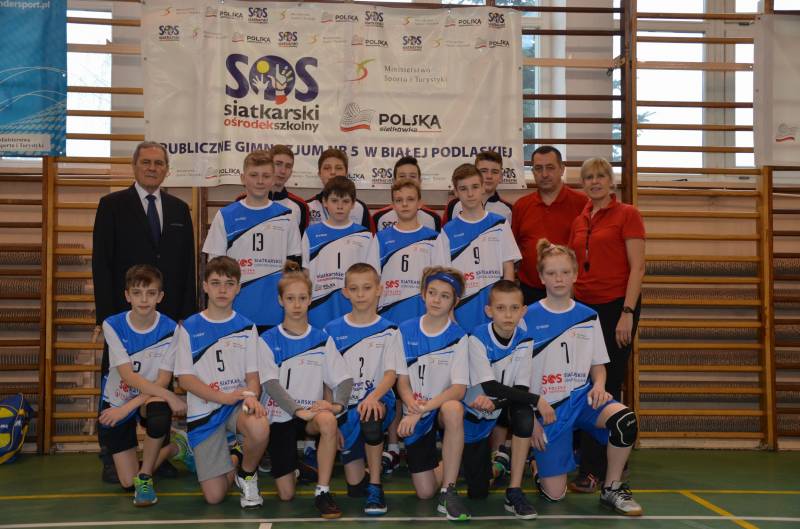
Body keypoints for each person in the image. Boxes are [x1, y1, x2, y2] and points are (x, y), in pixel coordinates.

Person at [92, 141, 196, 483]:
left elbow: (187, 265)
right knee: (116, 381)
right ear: (134, 166)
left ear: (167, 169)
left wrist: (187, 313)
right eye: (146, 162)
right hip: (124, 316)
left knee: (161, 382)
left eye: (159, 163)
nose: (153, 168)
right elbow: (101, 263)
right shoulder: (112, 205)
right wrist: (104, 316)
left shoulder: (179, 209)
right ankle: (111, 454)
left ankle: (159, 454)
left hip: (166, 317)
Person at [525, 239, 642, 516]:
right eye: (552, 273)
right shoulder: (527, 316)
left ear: (575, 274)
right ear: (541, 277)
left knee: (625, 420)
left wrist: (599, 385)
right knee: (555, 495)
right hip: (548, 407)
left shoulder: (588, 316)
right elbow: (518, 377)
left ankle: (612, 487)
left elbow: (598, 364)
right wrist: (530, 419)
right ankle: (538, 464)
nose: (559, 279)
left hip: (581, 400)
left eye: (565, 272)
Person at [567, 157, 645, 493]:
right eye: (589, 177)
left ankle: (594, 470)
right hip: (586, 310)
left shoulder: (627, 214)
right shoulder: (580, 219)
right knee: (585, 383)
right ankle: (608, 460)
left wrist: (627, 311)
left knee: (607, 384)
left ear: (611, 182)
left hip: (617, 307)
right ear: (582, 184)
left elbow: (638, 267)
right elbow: (574, 267)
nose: (595, 181)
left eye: (601, 176)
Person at [258, 261, 353, 519]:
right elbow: (271, 384)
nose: (297, 305)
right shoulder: (268, 339)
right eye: (290, 298)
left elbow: (344, 380)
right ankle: (298, 469)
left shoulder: (321, 339)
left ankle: (323, 491)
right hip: (281, 416)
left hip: (311, 416)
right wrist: (298, 410)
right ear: (281, 301)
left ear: (310, 300)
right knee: (286, 495)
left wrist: (337, 406)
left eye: (302, 298)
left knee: (328, 420)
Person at [174, 256, 269, 508]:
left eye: (229, 283)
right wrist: (222, 397)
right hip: (204, 412)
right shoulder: (188, 327)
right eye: (215, 283)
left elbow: (252, 377)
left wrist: (251, 396)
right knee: (214, 497)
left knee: (259, 425)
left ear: (238, 288)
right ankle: (236, 455)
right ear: (205, 286)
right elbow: (185, 379)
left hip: (236, 406)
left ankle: (247, 474)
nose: (222, 289)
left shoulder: (247, 327)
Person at [97, 265, 192, 506]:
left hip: (148, 397)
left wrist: (158, 398)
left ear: (160, 296)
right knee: (127, 482)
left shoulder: (172, 330)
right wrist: (170, 396)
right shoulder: (112, 325)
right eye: (137, 293)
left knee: (159, 412)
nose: (144, 299)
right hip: (118, 398)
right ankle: (175, 448)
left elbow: (162, 381)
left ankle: (146, 476)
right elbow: (128, 377)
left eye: (151, 293)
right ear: (127, 295)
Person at [461, 280, 546, 519]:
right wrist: (537, 399)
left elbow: (520, 388)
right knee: (478, 492)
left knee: (524, 415)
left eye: (514, 308)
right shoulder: (477, 337)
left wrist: (501, 404)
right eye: (500, 308)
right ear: (489, 311)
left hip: (499, 406)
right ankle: (497, 464)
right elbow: (489, 386)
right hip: (476, 413)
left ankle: (514, 490)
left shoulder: (525, 339)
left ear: (523, 310)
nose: (508, 315)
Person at [324, 263, 401, 516]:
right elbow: (328, 381)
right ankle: (373, 469)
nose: (360, 294)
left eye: (367, 288)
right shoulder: (332, 330)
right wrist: (332, 420)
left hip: (378, 401)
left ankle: (376, 487)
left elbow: (391, 374)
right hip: (346, 408)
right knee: (355, 488)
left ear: (379, 289)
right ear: (345, 292)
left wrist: (373, 397)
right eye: (354, 289)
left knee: (371, 416)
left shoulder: (390, 329)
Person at [395, 266, 471, 521]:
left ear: (455, 301)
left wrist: (422, 410)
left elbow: (458, 389)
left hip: (438, 407)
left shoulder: (458, 337)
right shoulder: (405, 330)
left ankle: (449, 490)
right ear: (423, 294)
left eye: (445, 295)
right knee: (425, 492)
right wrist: (412, 406)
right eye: (432, 293)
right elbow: (402, 381)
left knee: (454, 409)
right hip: (415, 408)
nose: (437, 300)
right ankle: (453, 461)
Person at [203, 150, 301, 333]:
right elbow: (214, 267)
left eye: (266, 176)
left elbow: (294, 269)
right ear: (243, 178)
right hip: (234, 310)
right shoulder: (225, 215)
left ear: (273, 179)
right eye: (254, 175)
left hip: (276, 312)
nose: (260, 181)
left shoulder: (287, 217)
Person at [442, 164, 521, 331]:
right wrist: (449, 312)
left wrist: (505, 305)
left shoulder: (499, 224)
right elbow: (445, 278)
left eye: (475, 187)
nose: (470, 194)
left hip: (495, 309)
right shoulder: (447, 231)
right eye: (463, 189)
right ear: (455, 192)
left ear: (483, 187)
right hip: (462, 309)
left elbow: (508, 269)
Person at [512, 146, 587, 304]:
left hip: (570, 292)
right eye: (538, 168)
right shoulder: (521, 206)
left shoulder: (582, 204)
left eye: (550, 167)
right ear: (533, 171)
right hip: (529, 292)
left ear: (562, 169)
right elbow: (513, 250)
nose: (544, 174)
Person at [302, 176, 379, 328]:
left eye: (345, 201)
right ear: (324, 202)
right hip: (319, 306)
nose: (339, 206)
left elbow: (373, 276)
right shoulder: (311, 233)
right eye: (334, 201)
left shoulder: (365, 236)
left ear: (353, 204)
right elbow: (305, 275)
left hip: (355, 305)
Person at [377, 177, 450, 324]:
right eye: (399, 200)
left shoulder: (434, 238)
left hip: (423, 312)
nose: (404, 204)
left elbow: (442, 280)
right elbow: (372, 280)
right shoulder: (380, 238)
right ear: (393, 205)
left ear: (419, 203)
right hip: (388, 313)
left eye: (410, 199)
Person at [307, 148, 372, 230]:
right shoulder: (309, 207)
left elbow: (369, 237)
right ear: (319, 174)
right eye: (327, 168)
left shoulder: (360, 208)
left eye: (338, 168)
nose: (333, 172)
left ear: (346, 173)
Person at [371, 156, 442, 232]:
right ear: (394, 181)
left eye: (412, 176)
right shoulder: (378, 217)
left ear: (420, 181)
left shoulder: (434, 218)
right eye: (402, 176)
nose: (407, 180)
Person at [443, 151, 513, 224]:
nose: (489, 176)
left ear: (501, 177)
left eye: (495, 172)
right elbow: (445, 230)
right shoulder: (453, 205)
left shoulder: (508, 209)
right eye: (483, 171)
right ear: (475, 173)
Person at [269, 144, 311, 235]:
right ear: (268, 165)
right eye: (278, 164)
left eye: (288, 166)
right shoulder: (247, 200)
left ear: (291, 171)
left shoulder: (301, 206)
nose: (283, 171)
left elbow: (302, 241)